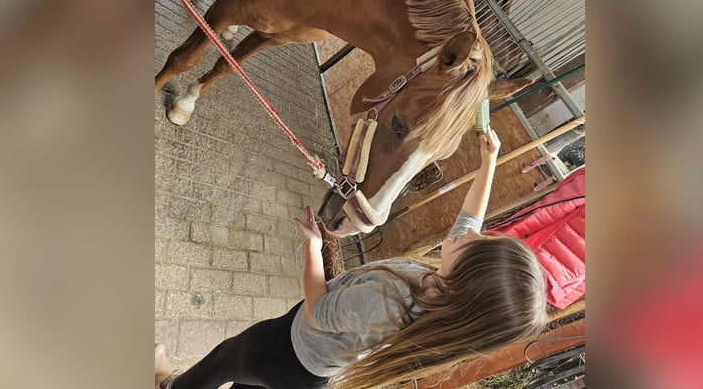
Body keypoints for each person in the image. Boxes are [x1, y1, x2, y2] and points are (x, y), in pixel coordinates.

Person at [155, 126, 547, 389]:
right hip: (311, 367)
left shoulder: (390, 300)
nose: (471, 233)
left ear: (466, 280)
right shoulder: (445, 298)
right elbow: (468, 222)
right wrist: (489, 161)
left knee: (229, 357)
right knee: (244, 376)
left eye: (477, 243)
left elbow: (317, 308)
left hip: (293, 351)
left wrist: (314, 247)